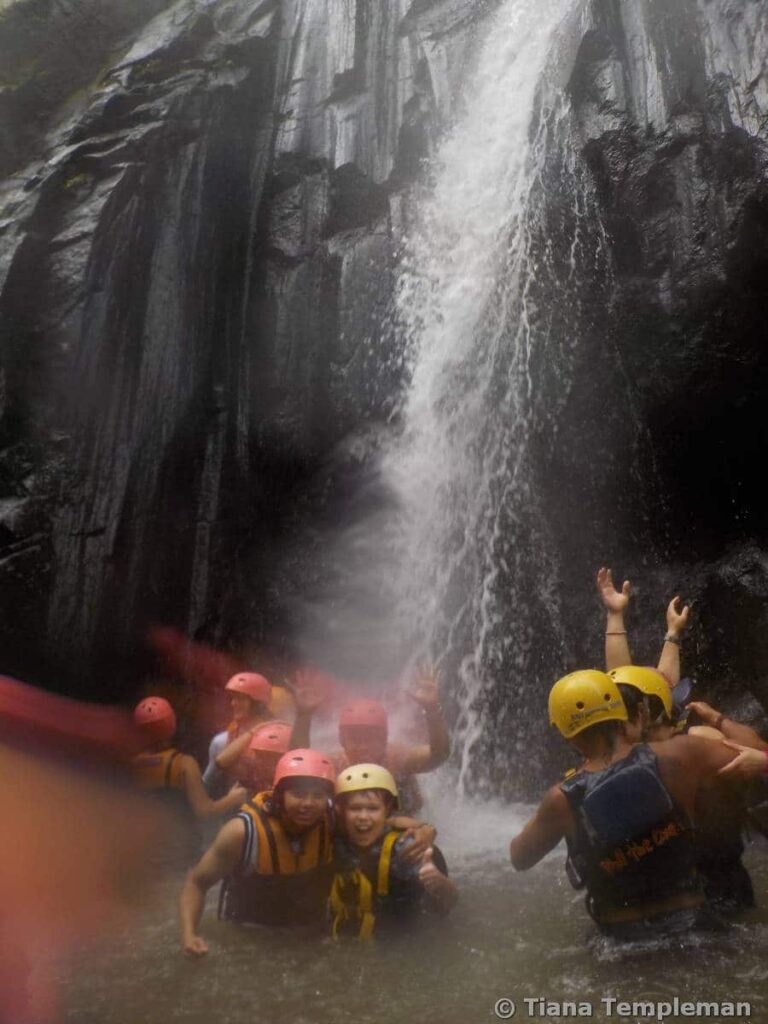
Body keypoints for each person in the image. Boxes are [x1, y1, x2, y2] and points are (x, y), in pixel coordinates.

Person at [509, 670, 767, 941]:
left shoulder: (561, 800)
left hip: (620, 944)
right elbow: (757, 751)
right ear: (622, 711)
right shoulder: (681, 754)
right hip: (694, 928)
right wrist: (717, 719)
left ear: (565, 733)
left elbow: (519, 858)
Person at [179, 749, 435, 955]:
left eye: (317, 796)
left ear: (329, 801)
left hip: (309, 933)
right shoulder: (242, 833)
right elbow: (197, 882)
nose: (308, 804)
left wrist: (423, 828)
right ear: (279, 795)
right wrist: (189, 934)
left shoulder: (329, 820)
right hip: (248, 933)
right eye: (298, 794)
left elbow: (372, 819)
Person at [290, 667, 450, 814]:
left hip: (405, 824)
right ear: (341, 740)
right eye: (355, 738)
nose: (364, 746)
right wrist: (304, 715)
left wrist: (432, 710)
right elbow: (300, 765)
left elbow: (439, 755)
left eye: (370, 738)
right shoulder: (336, 764)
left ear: (384, 739)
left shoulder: (397, 758)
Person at [330, 763, 457, 940]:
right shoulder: (332, 839)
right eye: (355, 808)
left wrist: (441, 884)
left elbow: (448, 905)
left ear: (387, 811)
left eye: (373, 808)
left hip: (402, 939)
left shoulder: (407, 848)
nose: (363, 817)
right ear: (341, 811)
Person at [596, 567, 689, 685]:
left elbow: (621, 680)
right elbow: (665, 686)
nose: (656, 672)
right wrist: (673, 632)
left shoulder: (621, 700)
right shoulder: (628, 701)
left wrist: (615, 615)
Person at [202, 672, 274, 792]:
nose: (233, 703)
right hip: (236, 805)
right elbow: (206, 784)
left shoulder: (276, 736)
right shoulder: (221, 741)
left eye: (240, 699)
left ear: (258, 704)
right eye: (233, 698)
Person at [217, 719, 292, 793]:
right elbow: (221, 761)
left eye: (272, 756)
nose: (264, 761)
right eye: (260, 755)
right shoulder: (256, 772)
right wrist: (254, 731)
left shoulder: (293, 777)